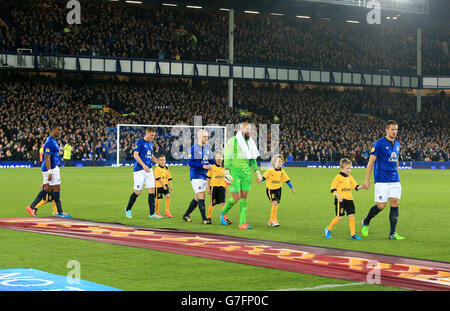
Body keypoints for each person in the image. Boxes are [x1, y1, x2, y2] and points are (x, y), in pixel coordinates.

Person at [361, 120, 404, 240]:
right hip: (381, 179)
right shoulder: (379, 144)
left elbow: (396, 159)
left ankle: (392, 233)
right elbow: (370, 162)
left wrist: (397, 169)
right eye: (392, 129)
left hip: (395, 179)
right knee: (381, 205)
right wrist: (367, 180)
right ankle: (366, 221)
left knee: (395, 202)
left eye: (396, 129)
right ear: (387, 130)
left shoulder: (398, 144)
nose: (394, 131)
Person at [221, 122, 263, 229]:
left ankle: (242, 223)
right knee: (236, 197)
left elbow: (252, 158)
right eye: (245, 129)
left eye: (249, 129)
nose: (248, 131)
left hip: (246, 173)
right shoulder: (233, 140)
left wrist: (257, 172)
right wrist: (226, 171)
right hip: (235, 171)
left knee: (244, 197)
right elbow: (227, 156)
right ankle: (224, 212)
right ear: (240, 129)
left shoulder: (250, 142)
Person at [26, 123, 72, 217]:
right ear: (53, 130)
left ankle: (31, 207)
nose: (60, 131)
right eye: (58, 129)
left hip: (48, 168)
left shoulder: (53, 141)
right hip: (51, 168)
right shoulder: (50, 142)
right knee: (57, 188)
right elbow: (46, 157)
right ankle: (60, 212)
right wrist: (50, 172)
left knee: (47, 189)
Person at [324, 158, 366, 240]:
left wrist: (363, 187)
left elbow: (355, 186)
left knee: (351, 215)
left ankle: (353, 234)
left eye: (350, 168)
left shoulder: (350, 177)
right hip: (341, 200)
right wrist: (338, 196)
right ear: (342, 168)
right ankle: (328, 229)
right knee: (339, 218)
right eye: (347, 168)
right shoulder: (338, 177)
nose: (349, 170)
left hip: (350, 199)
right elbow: (332, 189)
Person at [124, 127, 160, 219]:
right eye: (152, 135)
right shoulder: (139, 142)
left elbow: (150, 155)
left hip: (149, 170)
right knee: (137, 192)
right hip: (139, 170)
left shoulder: (150, 143)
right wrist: (143, 165)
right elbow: (135, 155)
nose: (153, 137)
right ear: (147, 134)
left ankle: (152, 214)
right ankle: (128, 209)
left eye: (154, 135)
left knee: (152, 191)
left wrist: (158, 162)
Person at [183, 129, 215, 224]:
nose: (207, 138)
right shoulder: (194, 148)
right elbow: (190, 162)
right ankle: (204, 219)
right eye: (205, 136)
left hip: (205, 176)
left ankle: (186, 214)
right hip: (196, 176)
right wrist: (203, 166)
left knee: (197, 197)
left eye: (207, 136)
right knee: (202, 195)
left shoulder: (208, 148)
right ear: (199, 137)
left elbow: (210, 160)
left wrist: (219, 163)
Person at [257, 155, 295, 227]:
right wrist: (260, 180)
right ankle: (274, 220)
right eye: (278, 161)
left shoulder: (282, 172)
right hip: (271, 190)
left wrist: (291, 188)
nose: (280, 163)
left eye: (281, 162)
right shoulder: (270, 171)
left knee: (275, 204)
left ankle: (271, 221)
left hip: (278, 190)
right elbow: (264, 177)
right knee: (275, 203)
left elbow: (287, 180)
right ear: (274, 162)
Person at [206, 151, 227, 223]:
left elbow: (226, 178)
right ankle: (208, 218)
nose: (219, 158)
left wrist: (226, 187)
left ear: (223, 158)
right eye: (217, 157)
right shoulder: (211, 167)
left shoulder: (225, 167)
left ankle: (224, 219)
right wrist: (208, 188)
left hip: (222, 187)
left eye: (220, 157)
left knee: (223, 203)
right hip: (214, 188)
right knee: (212, 203)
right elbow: (208, 178)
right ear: (215, 158)